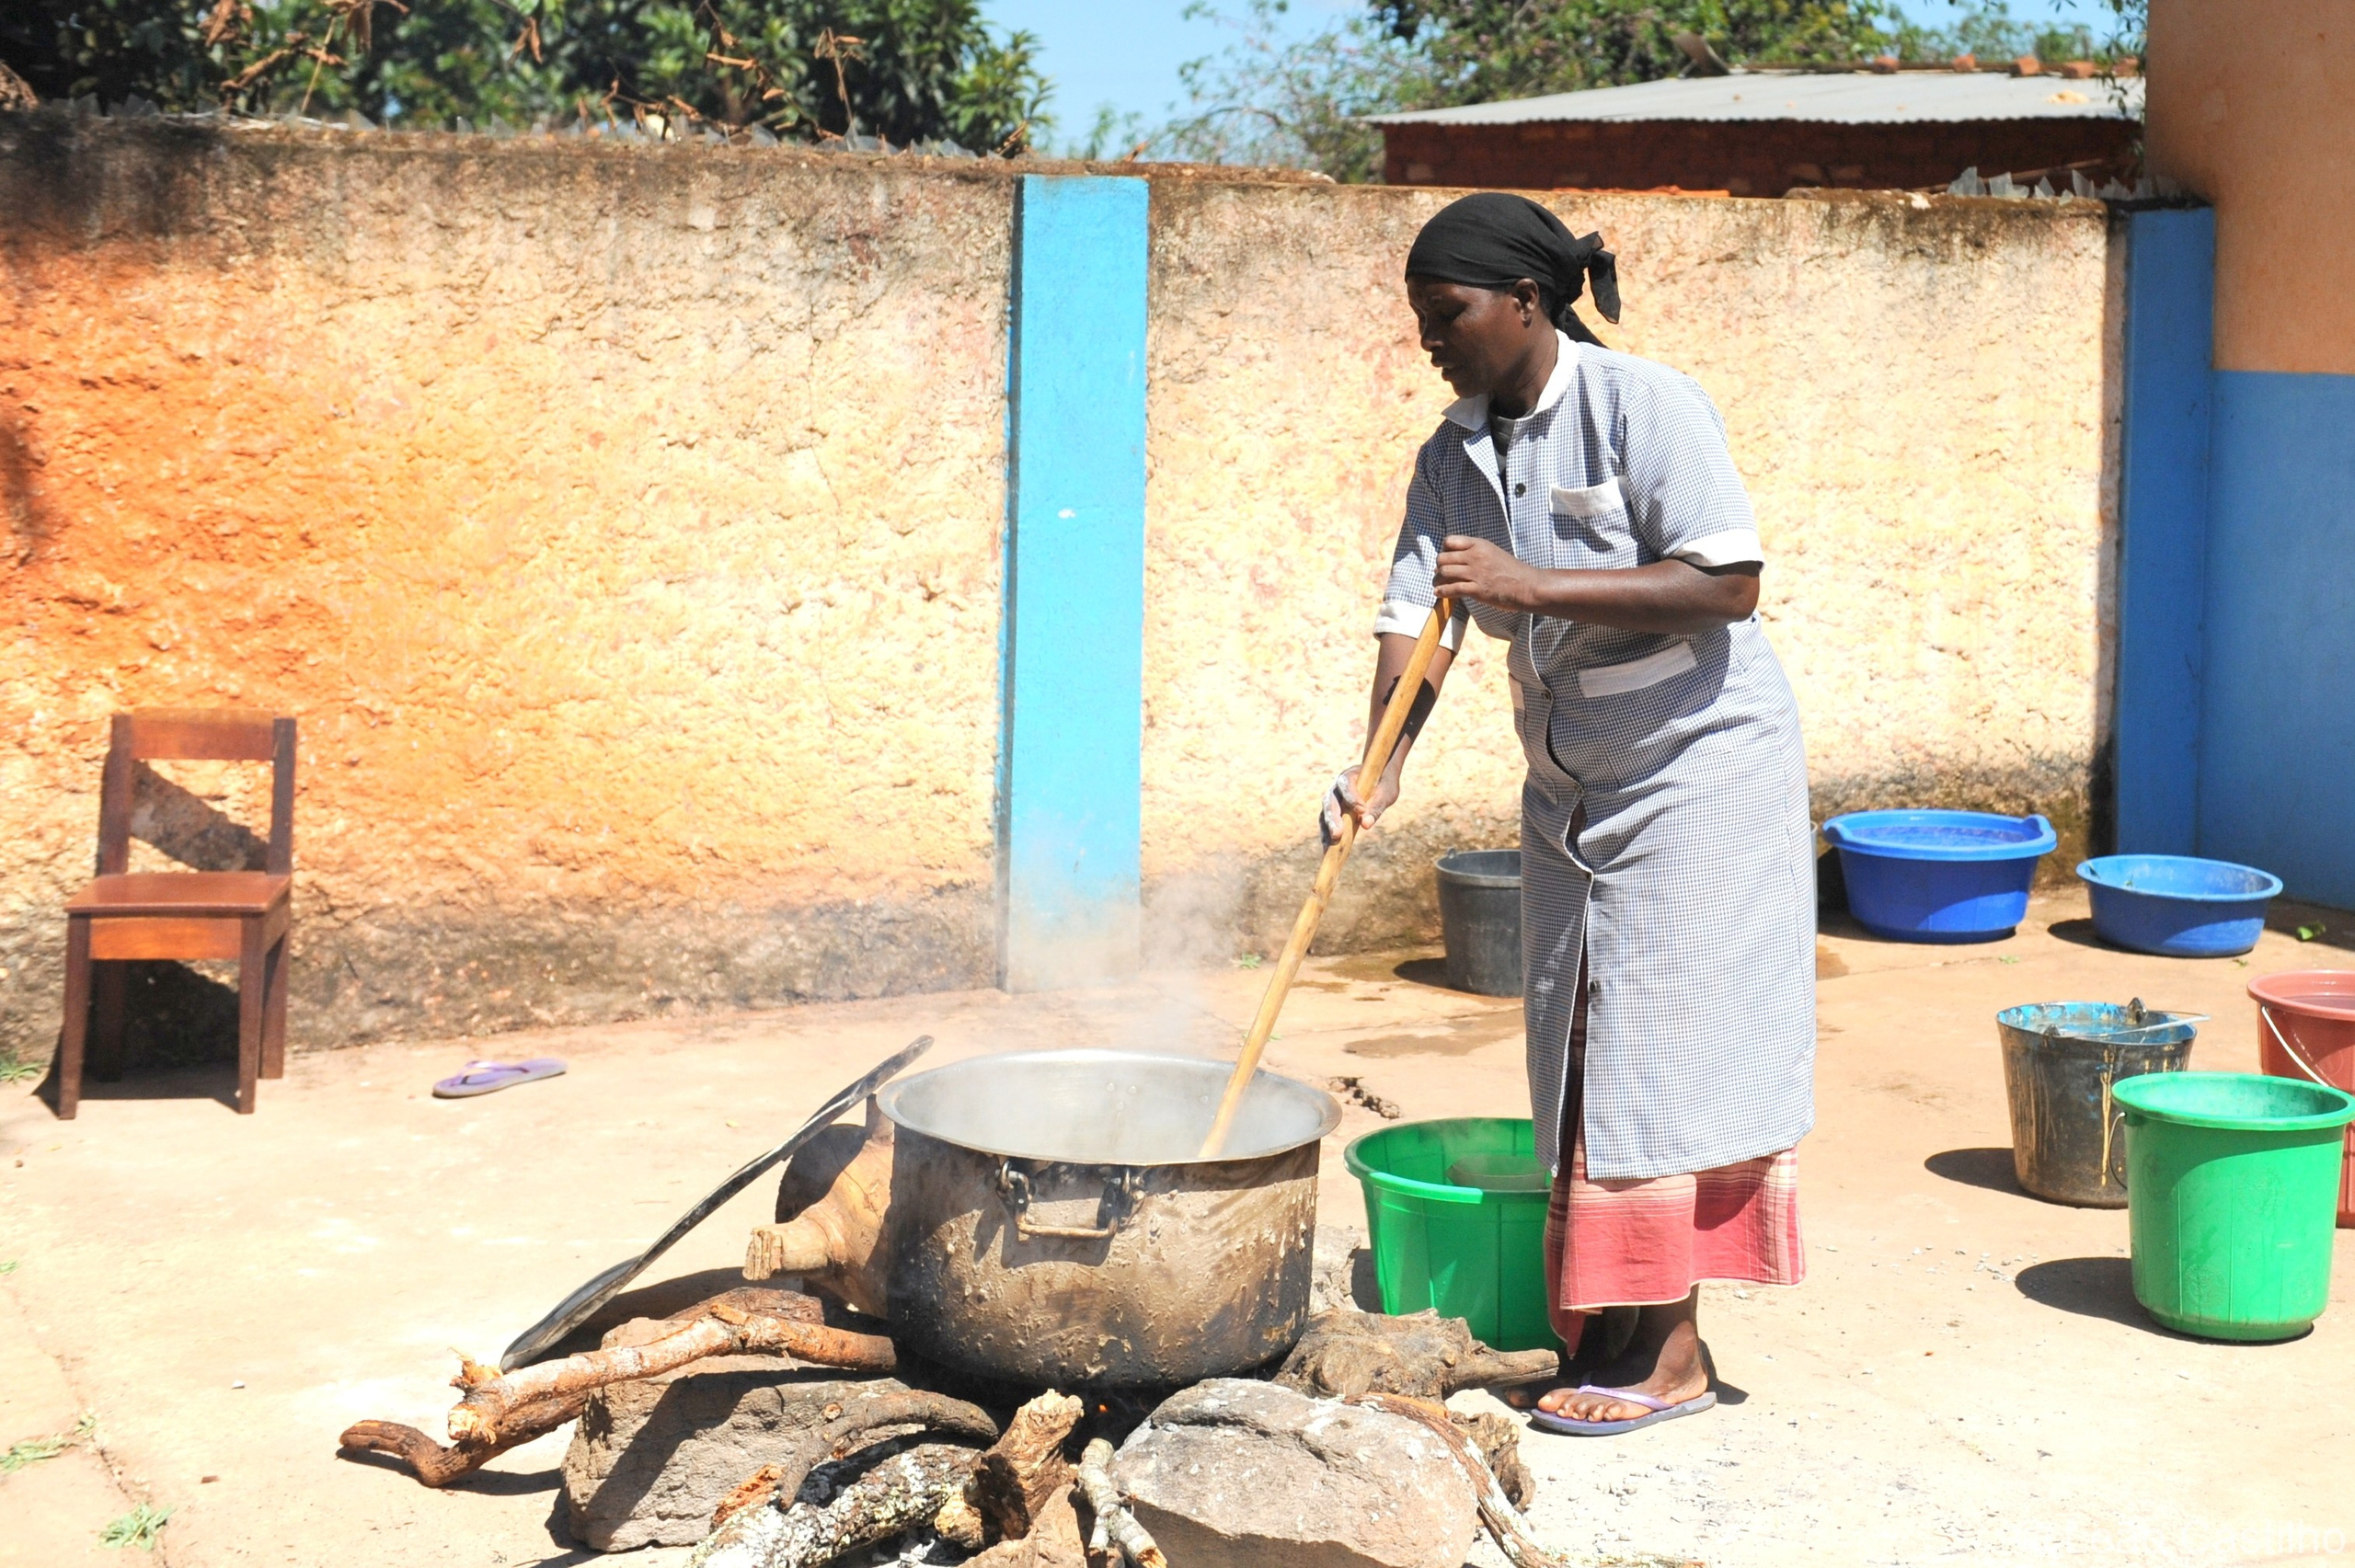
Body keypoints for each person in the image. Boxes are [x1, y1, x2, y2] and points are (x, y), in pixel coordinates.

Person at [1325, 191, 1815, 1437]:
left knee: (1660, 1051)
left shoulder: (1644, 404)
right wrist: (1377, 764)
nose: (1433, 340)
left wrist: (1533, 579)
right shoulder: (1453, 453)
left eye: (1449, 316)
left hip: (1694, 773)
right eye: (1425, 321)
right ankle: (1617, 1311)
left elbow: (1729, 580)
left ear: (1526, 302)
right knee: (1575, 1043)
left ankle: (1676, 1352)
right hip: (1568, 788)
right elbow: (1415, 626)